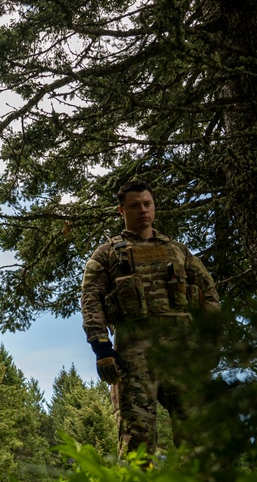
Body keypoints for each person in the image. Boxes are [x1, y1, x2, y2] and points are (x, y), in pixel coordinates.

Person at [80, 180, 219, 458]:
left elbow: (209, 295)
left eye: (147, 204)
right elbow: (91, 299)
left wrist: (211, 340)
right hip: (133, 352)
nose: (143, 210)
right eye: (135, 205)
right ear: (122, 210)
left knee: (198, 435)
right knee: (137, 440)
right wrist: (101, 347)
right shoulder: (106, 253)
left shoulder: (178, 251)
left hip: (183, 350)